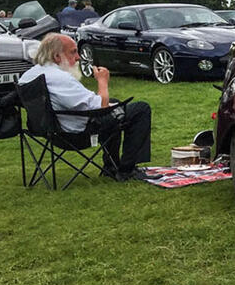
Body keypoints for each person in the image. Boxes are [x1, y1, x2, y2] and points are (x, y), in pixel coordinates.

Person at [17, 33, 152, 181]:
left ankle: (111, 166)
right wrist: (102, 81)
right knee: (141, 109)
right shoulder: (59, 78)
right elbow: (100, 108)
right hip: (76, 133)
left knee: (115, 104)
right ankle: (127, 169)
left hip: (48, 130)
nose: (78, 57)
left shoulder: (28, 75)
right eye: (73, 52)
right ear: (57, 57)